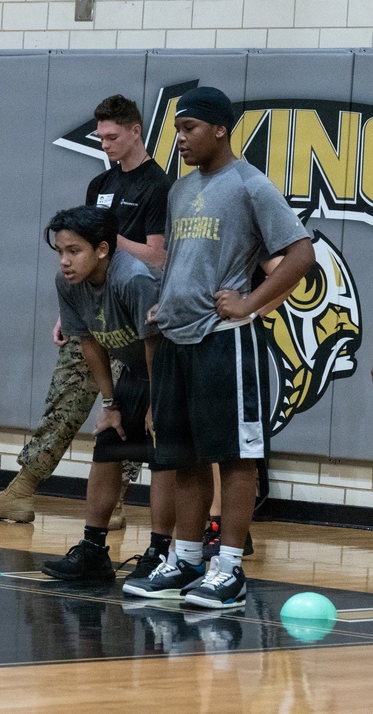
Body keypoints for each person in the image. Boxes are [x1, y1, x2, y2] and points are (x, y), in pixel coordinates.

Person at [123, 86, 314, 609]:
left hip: (224, 341)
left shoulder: (251, 185)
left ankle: (228, 568)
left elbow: (301, 254)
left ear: (220, 129)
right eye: (177, 130)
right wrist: (163, 307)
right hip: (177, 337)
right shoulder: (181, 190)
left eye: (189, 129)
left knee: (234, 456)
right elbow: (178, 262)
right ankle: (186, 560)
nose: (180, 139)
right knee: (183, 456)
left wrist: (251, 302)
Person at [0, 95, 172, 527]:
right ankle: (22, 489)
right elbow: (81, 252)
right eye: (100, 137)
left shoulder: (158, 187)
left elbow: (158, 258)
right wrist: (70, 308)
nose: (105, 144)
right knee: (65, 396)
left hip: (136, 313)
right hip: (93, 310)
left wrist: (107, 239)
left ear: (135, 131)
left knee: (128, 414)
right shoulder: (100, 185)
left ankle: (117, 503)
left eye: (112, 136)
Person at [36, 206, 167, 581]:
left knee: (164, 457)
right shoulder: (69, 283)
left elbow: (155, 343)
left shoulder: (134, 280)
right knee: (109, 445)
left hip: (170, 368)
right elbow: (89, 341)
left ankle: (159, 554)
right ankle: (93, 550)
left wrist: (157, 404)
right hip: (134, 369)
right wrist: (110, 403)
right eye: (60, 251)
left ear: (103, 250)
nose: (64, 261)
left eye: (74, 251)